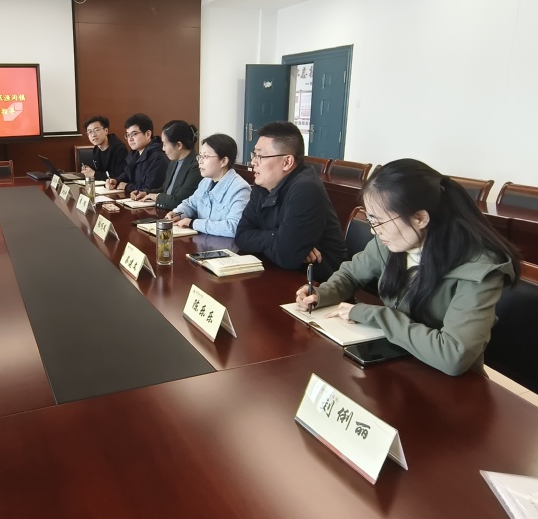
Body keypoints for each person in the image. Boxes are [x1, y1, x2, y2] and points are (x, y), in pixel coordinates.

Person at [295, 159, 520, 376]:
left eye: (379, 222)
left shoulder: (479, 269)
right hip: (393, 363)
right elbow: (351, 274)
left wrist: (375, 314)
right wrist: (321, 294)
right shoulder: (392, 242)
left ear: (420, 218)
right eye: (371, 220)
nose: (374, 231)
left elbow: (454, 355)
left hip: (448, 385)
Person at [235, 121, 346, 281]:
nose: (253, 162)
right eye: (254, 154)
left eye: (260, 156)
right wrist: (278, 237)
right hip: (280, 270)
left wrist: (281, 244)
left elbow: (286, 255)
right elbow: (241, 236)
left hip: (319, 282)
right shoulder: (263, 184)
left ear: (287, 162)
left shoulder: (306, 188)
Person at [168, 134, 250, 237]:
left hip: (224, 245)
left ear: (223, 161)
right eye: (200, 156)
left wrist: (193, 223)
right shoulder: (206, 182)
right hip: (203, 241)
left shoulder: (240, 189)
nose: (200, 161)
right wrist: (177, 213)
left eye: (205, 156)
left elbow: (233, 227)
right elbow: (190, 204)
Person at [130, 120, 202, 210]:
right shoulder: (174, 162)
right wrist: (146, 193)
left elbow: (179, 201)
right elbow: (165, 189)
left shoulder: (196, 166)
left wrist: (156, 197)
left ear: (179, 145)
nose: (163, 149)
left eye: (164, 144)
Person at [105, 114, 169, 195]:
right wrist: (116, 181)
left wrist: (126, 186)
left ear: (148, 134)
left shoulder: (158, 157)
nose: (130, 139)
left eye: (134, 134)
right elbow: (127, 174)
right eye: (128, 135)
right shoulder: (134, 153)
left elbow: (150, 189)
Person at [80, 116, 128, 181]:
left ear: (106, 131)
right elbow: (102, 172)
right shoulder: (96, 149)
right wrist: (89, 171)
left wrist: (94, 174)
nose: (93, 135)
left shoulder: (120, 149)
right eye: (90, 132)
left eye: (96, 130)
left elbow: (120, 176)